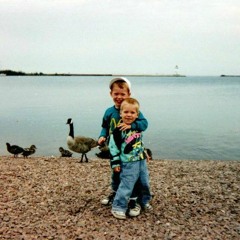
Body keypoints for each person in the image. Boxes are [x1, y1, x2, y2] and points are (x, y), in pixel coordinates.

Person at [98, 77, 148, 217]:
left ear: (128, 94)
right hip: (114, 149)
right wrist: (102, 136)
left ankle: (133, 199)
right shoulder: (109, 112)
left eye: (122, 94)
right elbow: (105, 127)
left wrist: (132, 125)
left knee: (132, 176)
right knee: (116, 172)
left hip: (130, 150)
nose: (119, 97)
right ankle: (115, 193)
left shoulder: (132, 110)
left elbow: (144, 124)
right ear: (111, 94)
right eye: (116, 94)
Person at [109, 98, 152, 219]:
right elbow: (113, 148)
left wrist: (145, 152)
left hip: (141, 161)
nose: (129, 115)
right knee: (127, 185)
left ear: (137, 115)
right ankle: (118, 207)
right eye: (126, 112)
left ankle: (143, 201)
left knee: (144, 182)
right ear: (121, 113)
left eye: (132, 113)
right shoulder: (118, 131)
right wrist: (115, 163)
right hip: (128, 162)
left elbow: (138, 142)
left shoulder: (137, 127)